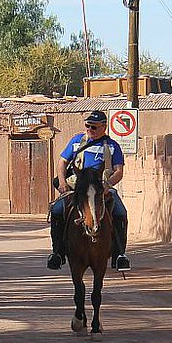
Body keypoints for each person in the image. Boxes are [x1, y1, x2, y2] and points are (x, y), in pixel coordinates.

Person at [47, 110, 131, 272]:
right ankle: (57, 253)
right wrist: (63, 182)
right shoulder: (77, 141)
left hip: (101, 187)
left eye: (94, 127)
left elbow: (118, 171)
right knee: (57, 210)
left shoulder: (112, 146)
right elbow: (62, 162)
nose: (89, 130)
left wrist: (107, 186)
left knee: (120, 213)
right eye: (87, 126)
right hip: (77, 187)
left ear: (104, 127)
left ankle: (119, 255)